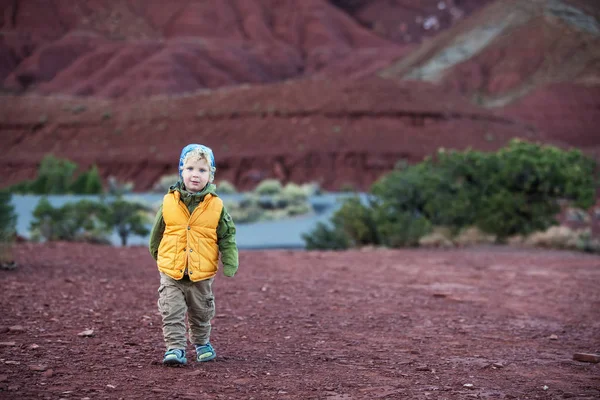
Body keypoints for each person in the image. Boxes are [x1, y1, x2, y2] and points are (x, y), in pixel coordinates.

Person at [149, 144, 239, 366]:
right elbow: (157, 232)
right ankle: (175, 349)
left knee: (201, 312)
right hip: (172, 271)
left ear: (211, 174)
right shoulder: (169, 201)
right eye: (189, 169)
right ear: (181, 171)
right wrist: (158, 255)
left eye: (202, 170)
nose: (195, 175)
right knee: (171, 310)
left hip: (201, 273)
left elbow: (227, 236)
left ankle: (201, 344)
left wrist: (229, 261)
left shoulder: (216, 206)